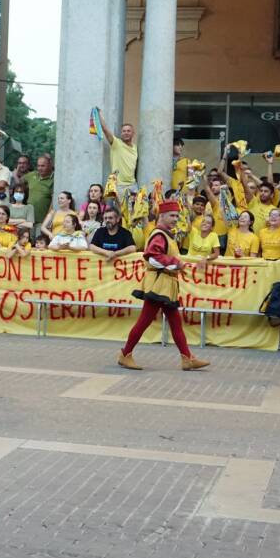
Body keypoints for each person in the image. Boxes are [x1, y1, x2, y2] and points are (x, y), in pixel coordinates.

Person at [117, 199, 209, 371]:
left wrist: (177, 265)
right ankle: (125, 354)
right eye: (172, 215)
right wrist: (175, 263)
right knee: (144, 322)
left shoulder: (166, 235)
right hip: (159, 285)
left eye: (177, 215)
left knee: (175, 322)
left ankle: (187, 358)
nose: (175, 219)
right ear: (162, 216)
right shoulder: (159, 235)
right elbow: (152, 256)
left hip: (166, 284)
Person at [96, 109, 137, 188]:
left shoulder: (135, 147)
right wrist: (99, 114)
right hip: (119, 185)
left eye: (128, 131)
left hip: (133, 185)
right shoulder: (116, 143)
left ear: (133, 133)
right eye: (124, 131)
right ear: (121, 133)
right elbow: (105, 129)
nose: (126, 133)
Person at [23, 154, 54, 229]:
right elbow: (19, 182)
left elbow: (53, 202)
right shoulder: (32, 175)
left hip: (42, 221)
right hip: (28, 219)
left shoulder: (53, 179)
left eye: (43, 166)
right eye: (38, 166)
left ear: (50, 165)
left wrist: (48, 219)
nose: (40, 168)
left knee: (39, 240)